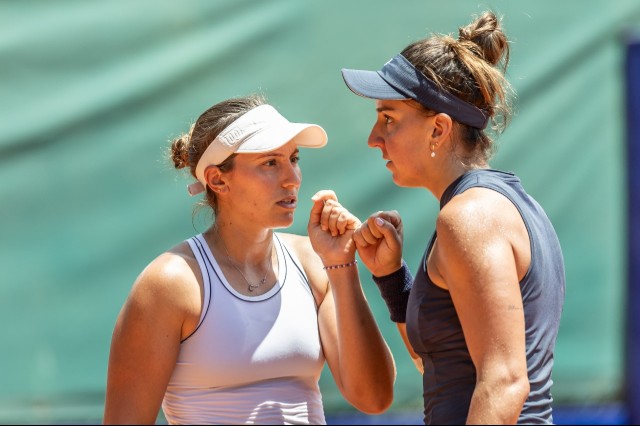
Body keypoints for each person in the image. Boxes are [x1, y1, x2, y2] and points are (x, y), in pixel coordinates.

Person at [102, 95, 396, 425]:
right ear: (217, 179)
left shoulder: (316, 263)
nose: (293, 178)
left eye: (294, 159)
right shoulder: (170, 283)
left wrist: (342, 267)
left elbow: (375, 398)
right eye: (270, 163)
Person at [340, 11, 566, 425]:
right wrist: (392, 279)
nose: (374, 138)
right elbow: (441, 363)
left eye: (388, 119)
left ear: (439, 129)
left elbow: (505, 382)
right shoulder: (498, 207)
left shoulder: (470, 218)